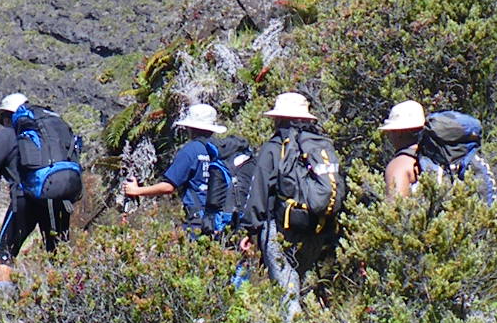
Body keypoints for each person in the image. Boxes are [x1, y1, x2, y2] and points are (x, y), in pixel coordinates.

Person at [0, 91, 80, 285]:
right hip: (56, 193)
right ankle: (65, 302)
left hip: (25, 199)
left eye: (4, 117)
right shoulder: (50, 132)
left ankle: (2, 306)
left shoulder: (10, 132)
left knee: (6, 252)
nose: (3, 122)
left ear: (9, 115)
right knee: (58, 253)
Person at [243, 91, 341, 300]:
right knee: (300, 281)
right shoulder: (319, 144)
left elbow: (258, 190)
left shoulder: (274, 147)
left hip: (281, 228)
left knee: (286, 290)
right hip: (315, 227)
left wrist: (250, 230)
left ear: (279, 118)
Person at [120, 102, 244, 234]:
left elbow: (168, 186)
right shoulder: (222, 149)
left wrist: (136, 190)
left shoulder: (191, 150)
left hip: (198, 220)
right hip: (223, 219)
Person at [379, 100, 429, 198]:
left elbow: (394, 208)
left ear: (399, 132)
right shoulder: (433, 155)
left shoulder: (399, 165)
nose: (389, 136)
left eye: (390, 132)